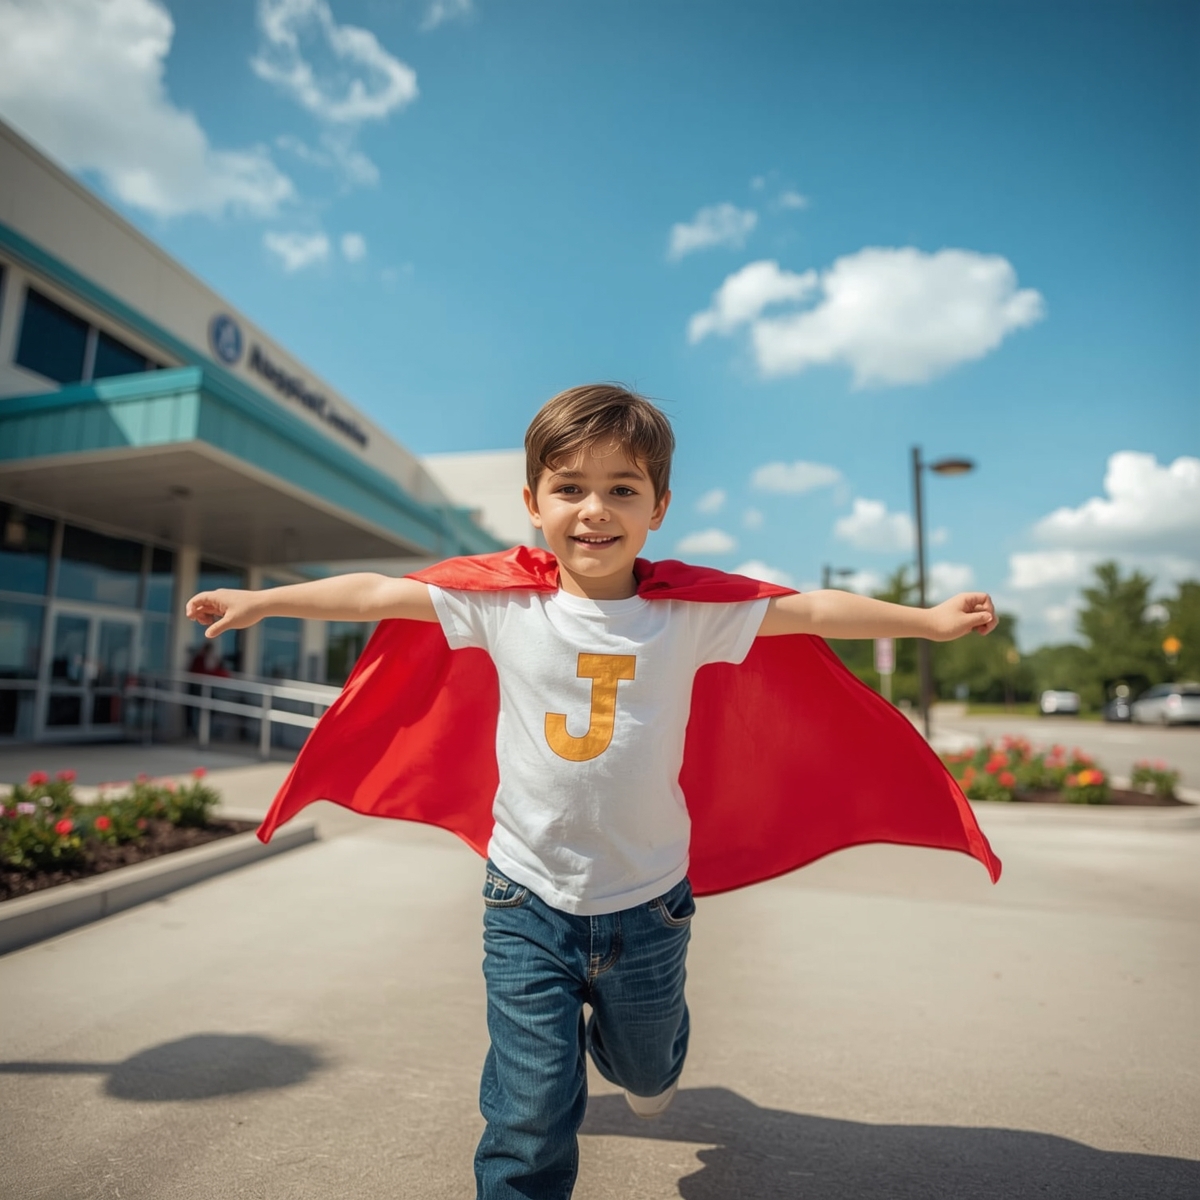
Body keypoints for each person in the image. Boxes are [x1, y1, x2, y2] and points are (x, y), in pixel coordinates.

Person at [186, 384, 998, 1200]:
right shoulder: (504, 605)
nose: (594, 510)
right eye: (569, 487)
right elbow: (375, 592)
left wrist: (927, 621)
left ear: (658, 508)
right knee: (529, 1105)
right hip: (525, 897)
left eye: (622, 489)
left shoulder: (688, 616)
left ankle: (643, 1056)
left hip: (648, 903)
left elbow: (812, 609)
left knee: (646, 1068)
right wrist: (264, 601)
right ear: (533, 503)